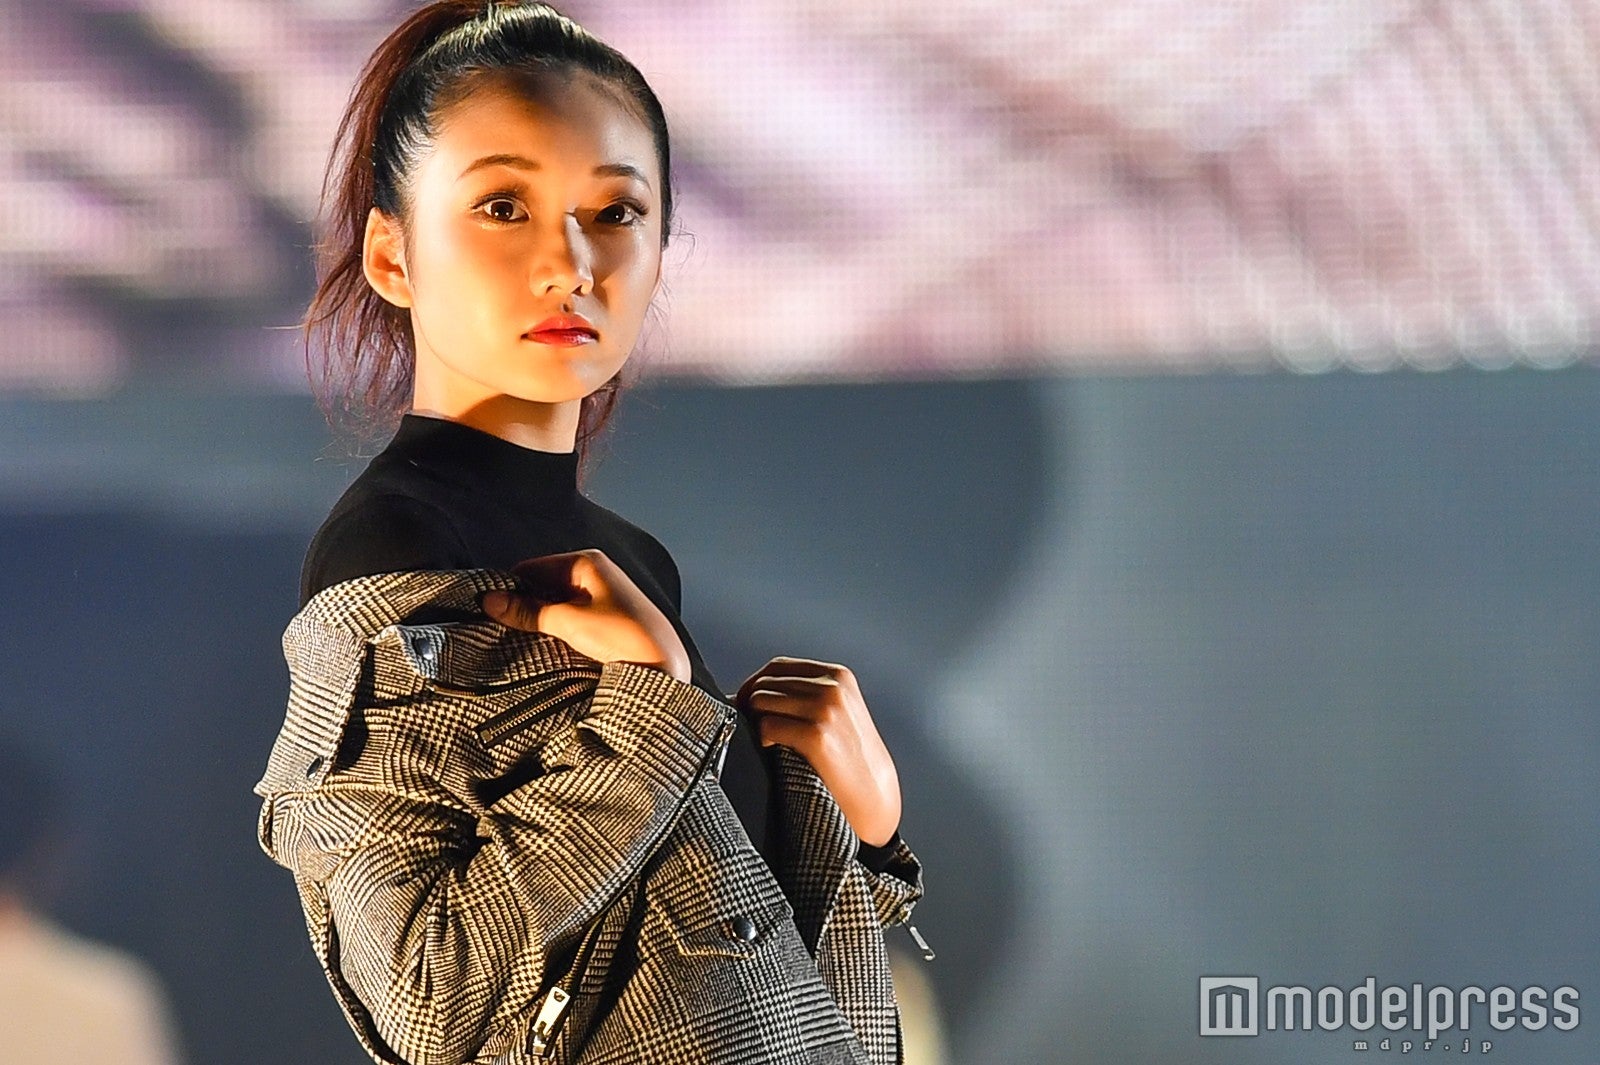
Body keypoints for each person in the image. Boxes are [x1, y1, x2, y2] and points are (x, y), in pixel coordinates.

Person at [253, 3, 925, 1063]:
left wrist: (854, 831)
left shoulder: (633, 560)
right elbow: (426, 1001)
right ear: (391, 254)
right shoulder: (399, 551)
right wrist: (646, 711)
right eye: (503, 206)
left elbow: (721, 978)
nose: (569, 261)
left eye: (615, 212)